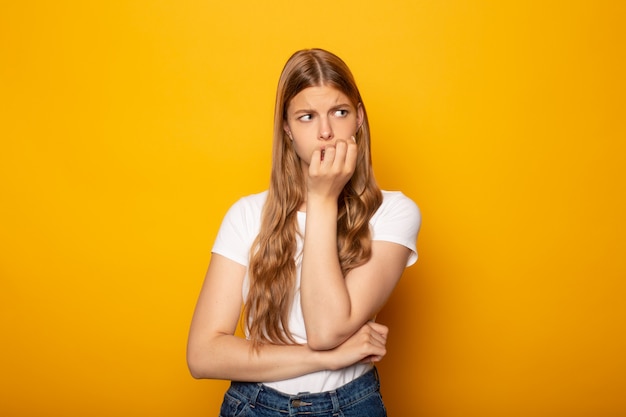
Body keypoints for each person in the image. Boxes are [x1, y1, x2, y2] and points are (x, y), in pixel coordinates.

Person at [187, 48, 421, 417]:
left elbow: (326, 330)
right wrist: (329, 358)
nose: (326, 132)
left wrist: (321, 199)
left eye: (339, 112)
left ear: (359, 117)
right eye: (307, 116)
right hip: (253, 405)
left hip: (350, 405)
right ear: (287, 128)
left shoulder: (393, 212)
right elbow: (202, 356)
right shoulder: (246, 215)